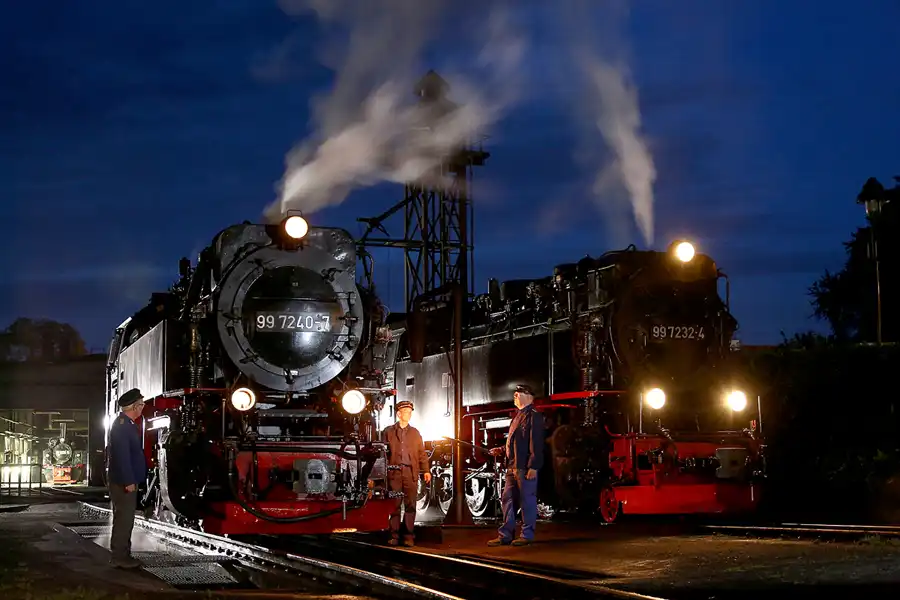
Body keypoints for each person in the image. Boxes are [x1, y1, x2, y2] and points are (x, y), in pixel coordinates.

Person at [487, 384, 544, 546]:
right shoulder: (518, 416)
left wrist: (533, 466)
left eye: (517, 394)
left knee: (527, 501)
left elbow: (536, 443)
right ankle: (505, 534)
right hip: (512, 466)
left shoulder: (534, 416)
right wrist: (500, 449)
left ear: (528, 395)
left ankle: (527, 535)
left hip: (524, 467)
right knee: (508, 500)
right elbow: (514, 442)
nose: (515, 396)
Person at [106, 388, 147, 568]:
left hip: (124, 479)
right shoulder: (123, 426)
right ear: (134, 406)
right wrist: (129, 480)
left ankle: (123, 555)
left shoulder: (126, 424)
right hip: (123, 481)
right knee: (124, 519)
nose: (143, 408)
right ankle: (120, 558)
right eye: (141, 404)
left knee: (125, 518)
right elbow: (122, 456)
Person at [382, 400, 431, 546]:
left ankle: (409, 536)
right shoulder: (388, 432)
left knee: (410, 505)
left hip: (410, 472)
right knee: (394, 505)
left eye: (410, 412)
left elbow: (422, 453)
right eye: (405, 412)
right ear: (398, 414)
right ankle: (394, 535)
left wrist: (426, 470)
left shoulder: (415, 433)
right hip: (394, 472)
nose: (408, 415)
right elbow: (381, 453)